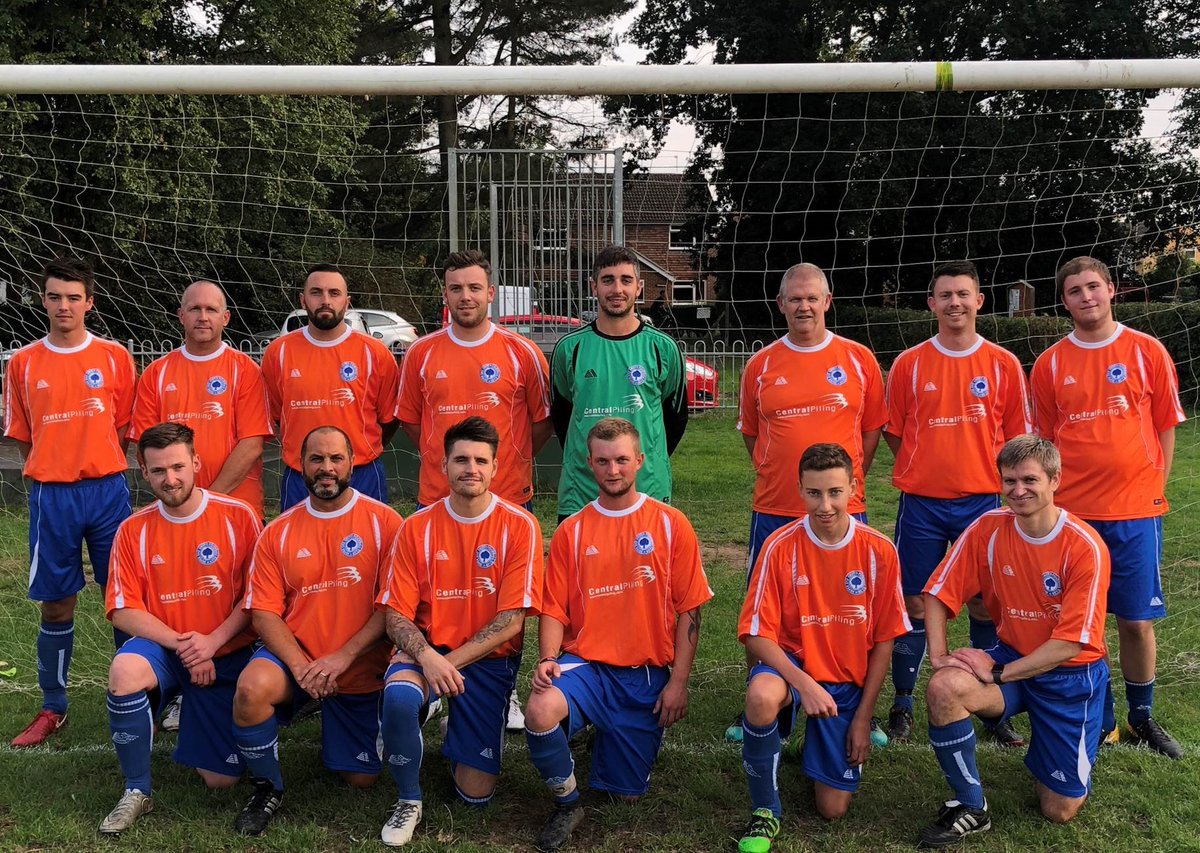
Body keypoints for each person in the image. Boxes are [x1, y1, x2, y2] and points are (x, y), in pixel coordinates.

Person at [523, 417, 712, 853]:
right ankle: (568, 804)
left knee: (625, 796)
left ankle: (606, 733)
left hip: (645, 675)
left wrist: (678, 683)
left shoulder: (670, 523)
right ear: (589, 463)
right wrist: (548, 657)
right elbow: (553, 607)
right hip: (586, 664)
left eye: (622, 460)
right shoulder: (572, 531)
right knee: (539, 709)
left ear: (640, 461)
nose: (613, 470)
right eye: (603, 461)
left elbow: (690, 610)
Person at [917, 435, 1110, 848]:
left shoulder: (1084, 546)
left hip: (1070, 677)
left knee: (1058, 809)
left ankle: (1070, 741)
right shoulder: (988, 528)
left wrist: (999, 672)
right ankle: (971, 806)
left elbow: (1070, 645)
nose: (1018, 490)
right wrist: (939, 656)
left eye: (1029, 480)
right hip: (1012, 659)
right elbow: (936, 593)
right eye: (1009, 480)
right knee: (944, 687)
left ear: (1055, 479)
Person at [1030, 256, 1185, 758]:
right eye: (1074, 290)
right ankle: (1102, 716)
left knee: (1136, 621)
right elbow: (1046, 442)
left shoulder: (1147, 350)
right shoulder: (1051, 363)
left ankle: (1143, 717)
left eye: (1093, 286)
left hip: (1135, 511)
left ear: (1112, 289)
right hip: (1073, 516)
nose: (1086, 297)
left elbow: (1165, 424)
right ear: (1065, 300)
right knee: (1080, 622)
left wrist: (1153, 485)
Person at [729, 261, 886, 743]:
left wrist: (843, 487)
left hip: (843, 510)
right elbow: (753, 436)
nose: (803, 306)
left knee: (849, 606)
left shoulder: (858, 358)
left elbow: (871, 431)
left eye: (811, 297)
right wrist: (781, 476)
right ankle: (763, 703)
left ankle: (859, 702)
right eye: (794, 298)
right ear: (780, 305)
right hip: (776, 505)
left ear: (827, 301)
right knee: (765, 606)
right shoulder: (761, 364)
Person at [375, 416, 544, 846]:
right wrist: (430, 659)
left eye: (480, 460)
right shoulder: (415, 527)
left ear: (495, 467)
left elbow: (512, 620)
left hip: (487, 663)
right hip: (426, 653)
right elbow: (395, 614)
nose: (471, 468)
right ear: (443, 465)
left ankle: (451, 718)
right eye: (461, 459)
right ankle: (408, 799)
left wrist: (447, 666)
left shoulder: (519, 525)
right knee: (398, 697)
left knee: (475, 794)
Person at [882, 260, 1032, 747]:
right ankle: (903, 700)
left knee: (986, 604)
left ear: (979, 300)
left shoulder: (1003, 364)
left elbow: (1016, 440)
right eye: (945, 295)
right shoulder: (908, 363)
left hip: (984, 505)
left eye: (963, 294)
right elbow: (896, 433)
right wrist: (928, 468)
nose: (955, 303)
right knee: (914, 602)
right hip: (922, 503)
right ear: (932, 304)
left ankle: (989, 703)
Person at [736, 443, 909, 853]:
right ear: (800, 490)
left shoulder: (879, 550)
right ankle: (765, 812)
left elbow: (885, 639)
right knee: (761, 696)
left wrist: (864, 718)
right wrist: (805, 684)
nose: (825, 504)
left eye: (834, 491)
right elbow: (757, 633)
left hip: (845, 681)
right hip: (794, 666)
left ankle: (814, 739)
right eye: (814, 493)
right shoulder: (780, 546)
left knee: (832, 809)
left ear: (854, 486)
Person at [231, 425, 402, 835]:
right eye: (316, 459)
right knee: (251, 688)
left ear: (352, 463)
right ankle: (267, 787)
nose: (326, 468)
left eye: (335, 459)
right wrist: (302, 665)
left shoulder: (386, 523)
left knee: (360, 780)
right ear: (300, 465)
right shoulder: (278, 531)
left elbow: (394, 605)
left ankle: (400, 710)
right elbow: (265, 613)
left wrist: (342, 656)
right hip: (299, 660)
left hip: (359, 665)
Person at [98, 423, 262, 834]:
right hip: (168, 650)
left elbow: (256, 599)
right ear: (144, 473)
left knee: (221, 782)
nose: (169, 479)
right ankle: (136, 791)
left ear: (196, 463)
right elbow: (121, 609)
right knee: (124, 671)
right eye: (158, 471)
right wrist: (184, 645)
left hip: (224, 651)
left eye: (177, 467)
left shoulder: (237, 517)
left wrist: (211, 643)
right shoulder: (132, 529)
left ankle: (201, 712)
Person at [3, 256, 137, 748]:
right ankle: (52, 707)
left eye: (73, 297)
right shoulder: (22, 363)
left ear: (90, 303)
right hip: (52, 496)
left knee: (123, 598)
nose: (64, 305)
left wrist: (94, 461)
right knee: (58, 604)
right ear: (43, 300)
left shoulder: (115, 357)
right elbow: (22, 436)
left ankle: (139, 690)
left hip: (105, 492)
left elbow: (123, 427)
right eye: (55, 296)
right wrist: (53, 469)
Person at [396, 250, 552, 509]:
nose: (465, 296)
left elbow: (542, 422)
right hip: (439, 497)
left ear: (490, 293)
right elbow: (411, 423)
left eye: (474, 287)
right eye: (456, 288)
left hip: (507, 495)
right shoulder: (419, 353)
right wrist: (441, 454)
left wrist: (511, 457)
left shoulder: (524, 352)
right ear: (445, 295)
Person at [550, 246, 688, 523]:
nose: (617, 289)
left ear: (639, 287)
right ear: (594, 287)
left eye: (626, 280)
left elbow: (675, 419)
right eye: (607, 280)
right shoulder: (569, 349)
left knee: (644, 568)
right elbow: (563, 418)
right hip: (582, 492)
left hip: (646, 488)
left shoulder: (663, 348)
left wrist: (644, 459)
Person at [128, 279, 273, 520]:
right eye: (195, 309)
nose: (203, 317)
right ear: (181, 315)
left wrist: (207, 501)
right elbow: (145, 446)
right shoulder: (156, 373)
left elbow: (251, 445)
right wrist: (179, 497)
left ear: (225, 318)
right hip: (176, 507)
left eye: (211, 310)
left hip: (235, 508)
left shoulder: (245, 370)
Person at [261, 264, 400, 511]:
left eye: (334, 293)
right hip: (301, 475)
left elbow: (389, 420)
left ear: (347, 302)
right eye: (316, 293)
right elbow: (277, 415)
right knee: (298, 549)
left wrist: (359, 449)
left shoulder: (375, 353)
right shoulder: (278, 353)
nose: (325, 300)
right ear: (303, 300)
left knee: (370, 548)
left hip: (362, 474)